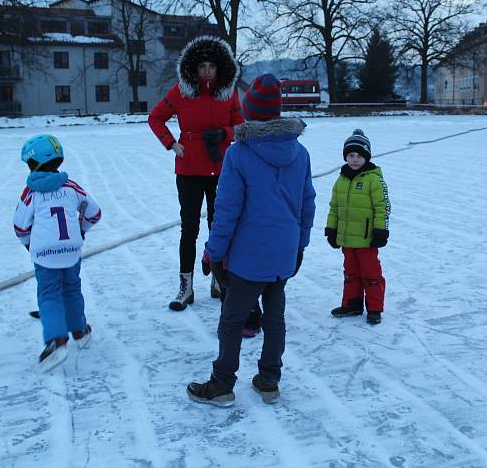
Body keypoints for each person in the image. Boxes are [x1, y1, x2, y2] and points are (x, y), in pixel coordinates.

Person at [187, 74, 316, 407]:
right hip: (283, 252)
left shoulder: (238, 154)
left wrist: (214, 254)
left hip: (248, 256)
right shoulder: (299, 153)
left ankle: (222, 384)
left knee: (231, 321)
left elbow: (226, 210)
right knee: (275, 318)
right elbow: (307, 203)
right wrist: (300, 245)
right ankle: (269, 380)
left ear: (249, 113)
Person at [148, 35, 244, 311]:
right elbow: (155, 117)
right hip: (189, 169)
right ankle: (186, 286)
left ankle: (218, 278)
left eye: (211, 66)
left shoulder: (229, 92)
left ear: (219, 67)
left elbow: (240, 125)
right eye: (201, 66)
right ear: (193, 67)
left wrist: (224, 133)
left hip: (222, 168)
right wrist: (171, 143)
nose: (206, 71)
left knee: (220, 226)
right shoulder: (181, 91)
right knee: (189, 228)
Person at [13, 134, 102, 372]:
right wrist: (81, 231)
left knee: (49, 294)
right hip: (71, 250)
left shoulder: (30, 193)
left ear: (33, 164)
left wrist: (29, 244)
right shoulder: (71, 186)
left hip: (44, 254)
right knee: (72, 288)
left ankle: (56, 340)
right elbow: (94, 212)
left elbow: (20, 227)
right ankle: (79, 330)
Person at [325, 129, 391, 325]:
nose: (354, 159)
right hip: (346, 238)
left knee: (371, 274)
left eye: (359, 155)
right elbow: (334, 207)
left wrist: (381, 230)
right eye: (351, 155)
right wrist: (332, 229)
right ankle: (352, 304)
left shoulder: (374, 179)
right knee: (351, 273)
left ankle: (374, 308)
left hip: (367, 239)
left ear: (367, 157)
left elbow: (383, 207)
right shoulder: (341, 180)